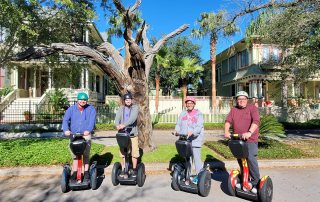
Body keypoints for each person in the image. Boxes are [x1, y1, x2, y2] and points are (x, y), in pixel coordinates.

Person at [224, 91, 260, 194]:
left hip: (250, 140)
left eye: (243, 99)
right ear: (236, 100)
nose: (241, 101)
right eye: (239, 99)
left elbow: (256, 121)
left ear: (247, 100)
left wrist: (249, 132)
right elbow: (228, 121)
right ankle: (245, 179)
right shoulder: (234, 110)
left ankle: (255, 182)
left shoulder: (252, 108)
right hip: (238, 140)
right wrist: (226, 131)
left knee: (251, 160)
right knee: (241, 160)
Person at [62, 92, 97, 182]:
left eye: (84, 100)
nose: (83, 101)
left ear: (86, 101)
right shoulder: (71, 109)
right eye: (81, 100)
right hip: (73, 134)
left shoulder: (91, 109)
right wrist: (66, 129)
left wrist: (88, 130)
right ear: (77, 100)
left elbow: (92, 121)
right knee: (75, 155)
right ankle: (74, 172)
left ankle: (86, 172)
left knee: (85, 154)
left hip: (85, 135)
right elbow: (65, 120)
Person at [175, 96, 204, 185]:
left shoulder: (199, 114)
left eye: (191, 103)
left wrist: (193, 132)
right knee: (187, 159)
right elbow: (178, 124)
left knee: (196, 159)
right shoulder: (183, 114)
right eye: (188, 103)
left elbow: (199, 127)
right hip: (185, 140)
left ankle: (199, 177)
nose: (189, 104)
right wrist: (176, 130)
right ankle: (188, 175)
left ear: (194, 104)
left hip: (195, 140)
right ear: (186, 104)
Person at [115, 93, 139, 178]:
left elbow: (132, 118)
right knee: (123, 152)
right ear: (124, 101)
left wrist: (124, 125)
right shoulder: (121, 108)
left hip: (133, 134)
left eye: (129, 99)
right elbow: (117, 118)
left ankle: (134, 169)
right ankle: (124, 169)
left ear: (131, 100)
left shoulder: (135, 108)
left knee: (134, 153)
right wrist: (117, 125)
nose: (128, 101)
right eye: (126, 100)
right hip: (123, 135)